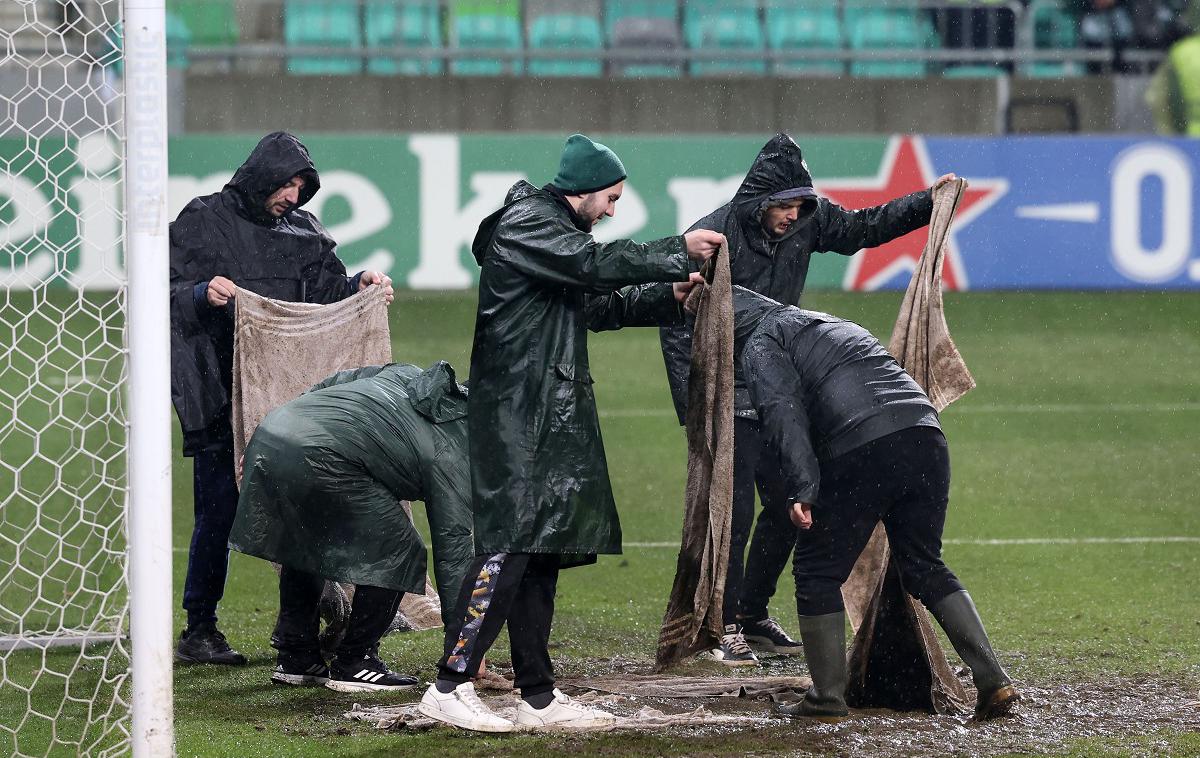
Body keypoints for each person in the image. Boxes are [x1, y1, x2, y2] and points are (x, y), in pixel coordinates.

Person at [418, 134, 722, 733]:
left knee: (541, 549)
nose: (612, 210)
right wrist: (674, 252)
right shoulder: (530, 223)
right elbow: (594, 267)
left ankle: (538, 694)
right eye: (610, 198)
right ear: (582, 190)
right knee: (508, 543)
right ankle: (451, 683)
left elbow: (595, 305)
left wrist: (668, 297)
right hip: (517, 415)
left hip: (543, 413)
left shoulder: (552, 235)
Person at [660, 133, 955, 666]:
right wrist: (696, 406)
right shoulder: (713, 236)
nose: (794, 217)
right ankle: (723, 626)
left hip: (780, 382)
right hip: (727, 389)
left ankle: (752, 614)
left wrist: (927, 202)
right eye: (784, 206)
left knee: (795, 498)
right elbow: (678, 324)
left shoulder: (808, 221)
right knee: (735, 509)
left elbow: (863, 228)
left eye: (801, 205)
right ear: (757, 203)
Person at [727, 285, 1018, 722]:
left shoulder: (762, 341)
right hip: (925, 436)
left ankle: (825, 699)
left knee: (817, 570)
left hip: (863, 445)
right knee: (923, 564)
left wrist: (803, 487)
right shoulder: (834, 323)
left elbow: (783, 412)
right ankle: (993, 681)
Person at [169, 131, 394, 665]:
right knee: (219, 512)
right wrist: (200, 294)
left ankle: (295, 632)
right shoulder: (203, 220)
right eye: (286, 184)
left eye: (301, 186)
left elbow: (325, 298)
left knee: (302, 510)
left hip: (285, 399)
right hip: (219, 392)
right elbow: (161, 290)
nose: (293, 196)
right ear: (260, 175)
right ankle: (199, 629)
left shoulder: (304, 233)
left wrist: (358, 283)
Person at [228, 361, 472, 691]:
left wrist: (276, 437)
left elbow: (338, 380)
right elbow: (453, 549)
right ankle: (356, 661)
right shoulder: (455, 448)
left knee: (307, 539)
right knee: (399, 548)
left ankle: (296, 655)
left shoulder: (410, 375)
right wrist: (464, 645)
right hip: (320, 452)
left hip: (274, 430)